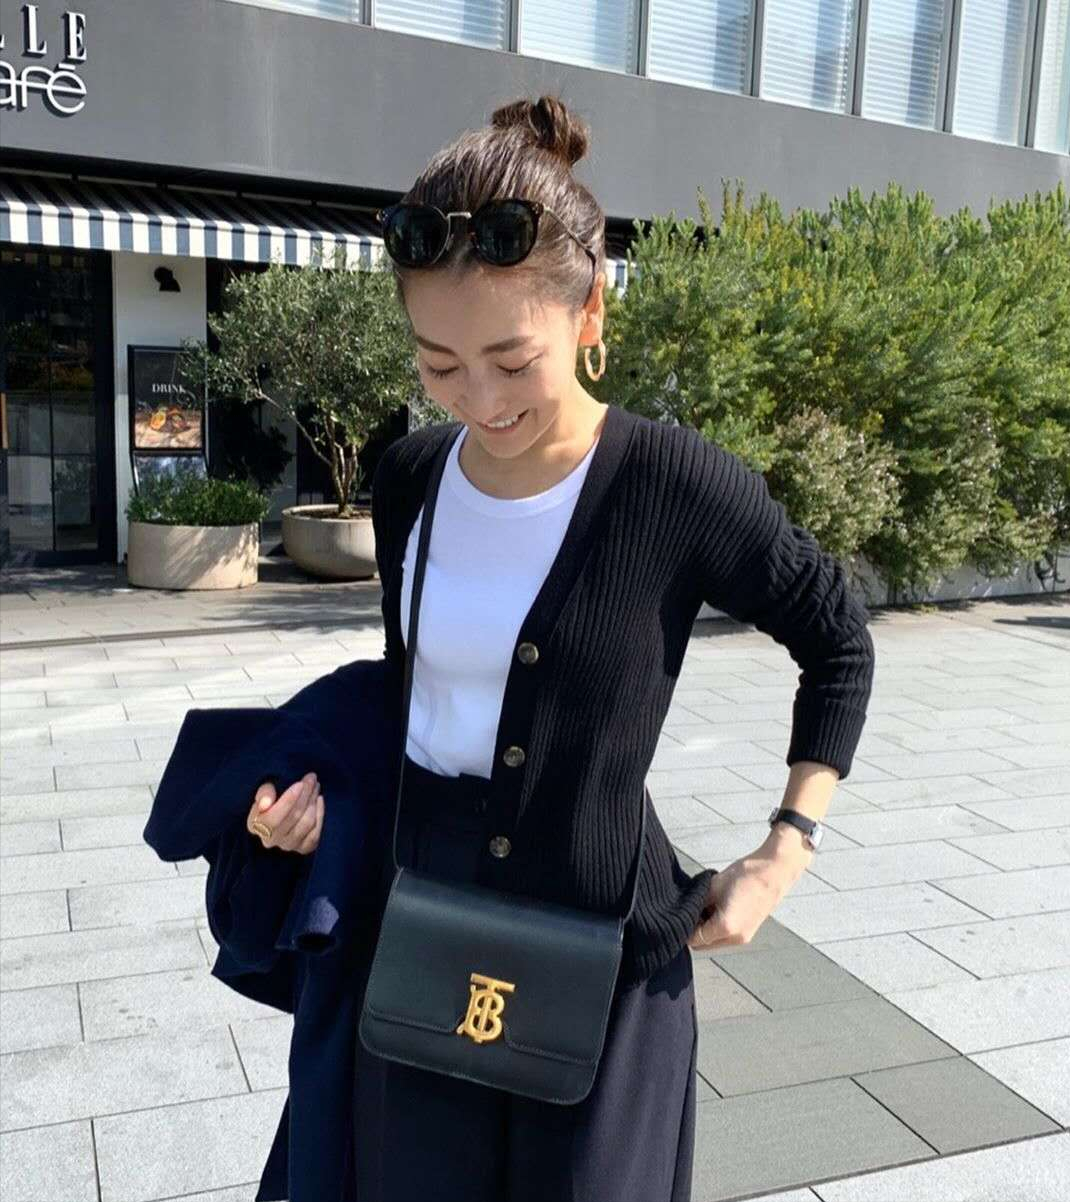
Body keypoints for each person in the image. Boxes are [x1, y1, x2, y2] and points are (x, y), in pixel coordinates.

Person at [248, 93, 876, 1201]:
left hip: (606, 959)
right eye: (439, 363)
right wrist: (318, 803)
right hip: (424, 938)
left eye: (510, 358)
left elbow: (836, 638)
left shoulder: (673, 484)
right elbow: (415, 700)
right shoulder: (409, 480)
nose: (479, 400)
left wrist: (786, 848)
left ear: (590, 311)